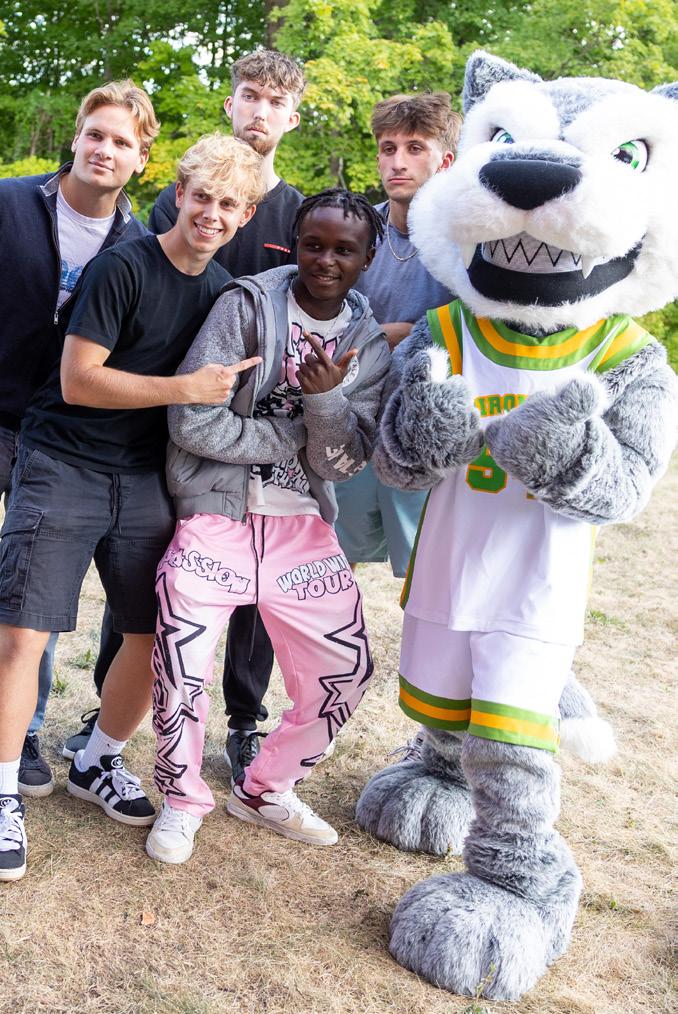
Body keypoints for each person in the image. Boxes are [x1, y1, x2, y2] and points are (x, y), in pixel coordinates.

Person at [0, 132, 265, 881]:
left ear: (245, 215)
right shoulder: (123, 265)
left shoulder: (225, 295)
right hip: (62, 459)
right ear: (178, 194)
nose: (211, 214)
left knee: (153, 635)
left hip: (146, 476)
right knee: (23, 634)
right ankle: (2, 791)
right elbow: (80, 378)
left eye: (228, 204)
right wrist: (185, 388)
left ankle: (98, 760)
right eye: (201, 196)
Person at [66, 50, 308, 786]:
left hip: (249, 418)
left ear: (293, 118)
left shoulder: (295, 211)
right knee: (147, 581)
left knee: (254, 584)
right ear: (231, 103)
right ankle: (104, 713)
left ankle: (243, 718)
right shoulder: (175, 205)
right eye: (250, 95)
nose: (260, 111)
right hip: (162, 415)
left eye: (276, 101)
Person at [145, 189, 390, 864]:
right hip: (217, 511)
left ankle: (266, 788)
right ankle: (181, 798)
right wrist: (295, 430)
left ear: (368, 257)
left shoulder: (368, 344)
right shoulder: (246, 306)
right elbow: (191, 421)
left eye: (344, 250)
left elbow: (340, 461)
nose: (326, 261)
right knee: (182, 657)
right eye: (313, 245)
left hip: (301, 523)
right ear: (295, 244)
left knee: (346, 669)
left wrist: (327, 400)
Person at [0, 81, 156, 802]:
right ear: (75, 136)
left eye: (122, 141)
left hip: (61, 434)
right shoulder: (11, 203)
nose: (105, 150)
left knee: (35, 586)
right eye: (96, 133)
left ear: (141, 159)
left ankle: (25, 731)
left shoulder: (137, 245)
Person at [334, 92, 460, 579]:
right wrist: (374, 336)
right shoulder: (355, 229)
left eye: (415, 148)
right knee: (330, 559)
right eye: (388, 148)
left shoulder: (465, 241)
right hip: (354, 418)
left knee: (426, 573)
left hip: (424, 425)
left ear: (445, 161)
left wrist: (415, 333)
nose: (398, 162)